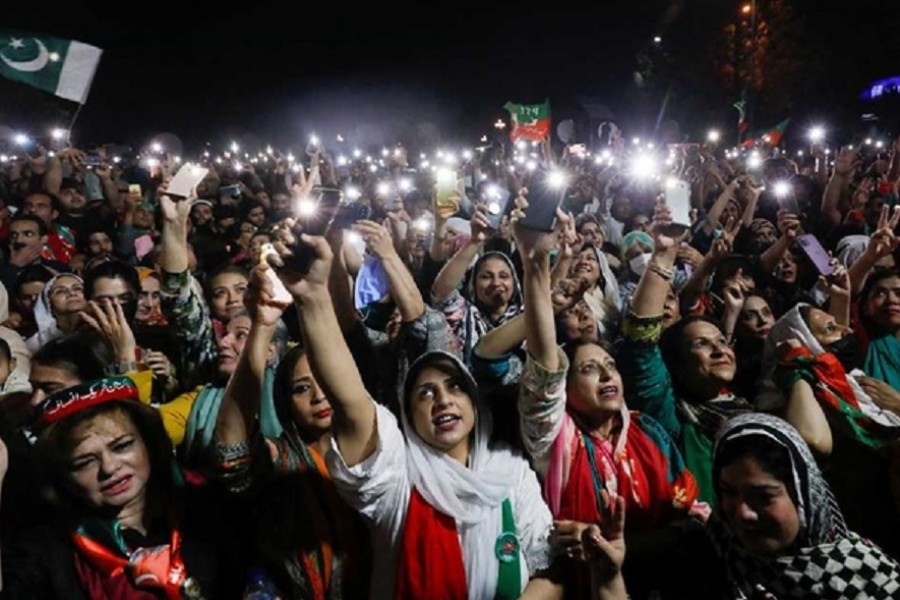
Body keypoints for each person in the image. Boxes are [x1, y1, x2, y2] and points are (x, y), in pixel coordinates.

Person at [264, 231, 560, 599]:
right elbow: (353, 403)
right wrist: (311, 299)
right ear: (408, 415)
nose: (443, 400)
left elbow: (549, 571)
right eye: (425, 393)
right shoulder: (397, 474)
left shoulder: (510, 472)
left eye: (455, 387)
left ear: (474, 404)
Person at [513, 201, 701, 598]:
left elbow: (688, 518)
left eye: (610, 365)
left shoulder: (649, 431)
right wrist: (534, 265)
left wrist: (665, 252)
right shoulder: (556, 439)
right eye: (587, 369)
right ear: (563, 390)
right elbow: (545, 368)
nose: (606, 373)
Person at [0, 376, 245, 597]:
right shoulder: (49, 549)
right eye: (85, 461)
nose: (109, 467)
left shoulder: (207, 504)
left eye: (122, 446)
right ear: (63, 474)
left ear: (148, 442)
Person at [213, 263, 370, 598]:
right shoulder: (279, 459)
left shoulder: (378, 450)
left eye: (325, 381)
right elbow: (232, 448)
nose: (319, 395)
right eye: (301, 388)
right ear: (284, 401)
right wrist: (262, 327)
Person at [710, 412, 900, 598]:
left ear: (805, 496)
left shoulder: (864, 577)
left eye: (763, 497)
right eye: (729, 492)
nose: (743, 513)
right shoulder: (712, 554)